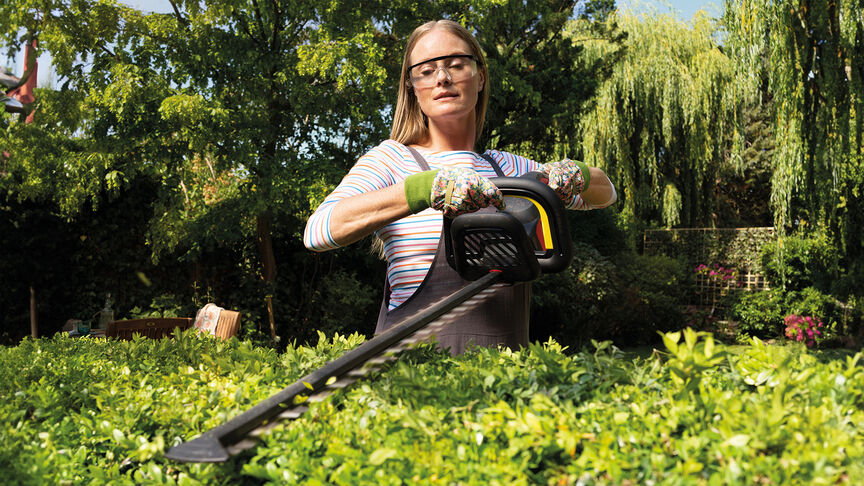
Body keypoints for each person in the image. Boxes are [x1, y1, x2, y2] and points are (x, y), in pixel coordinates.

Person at [304, 20, 616, 354]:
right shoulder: (392, 160)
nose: (442, 78)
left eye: (455, 65)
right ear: (412, 87)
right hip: (411, 372)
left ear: (480, 77)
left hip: (506, 374)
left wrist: (577, 174)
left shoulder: (507, 169)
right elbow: (318, 231)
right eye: (426, 71)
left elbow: (607, 193)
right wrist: (426, 189)